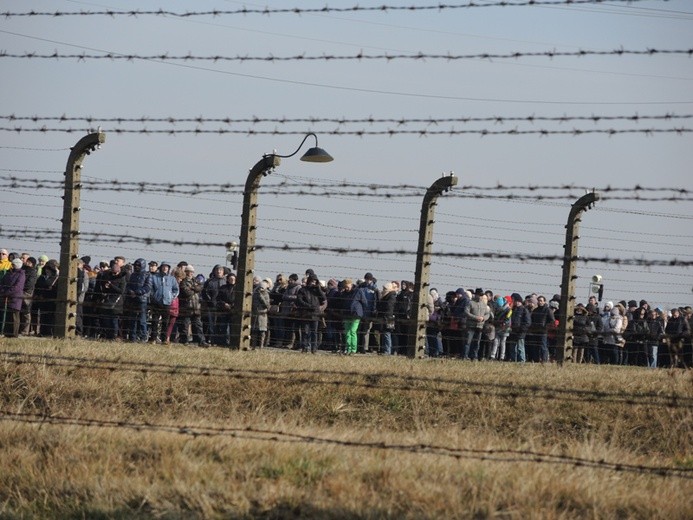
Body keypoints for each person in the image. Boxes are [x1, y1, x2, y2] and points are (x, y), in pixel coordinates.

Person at [177, 265, 209, 347]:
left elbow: (201, 287)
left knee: (198, 326)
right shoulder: (183, 282)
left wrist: (192, 288)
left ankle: (201, 341)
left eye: (191, 272)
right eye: (188, 271)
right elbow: (186, 293)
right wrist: (195, 289)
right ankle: (184, 340)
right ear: (186, 272)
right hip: (187, 307)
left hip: (196, 307)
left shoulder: (196, 280)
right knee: (185, 325)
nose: (190, 273)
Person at [294, 274, 327, 353]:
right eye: (312, 281)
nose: (313, 283)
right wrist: (309, 306)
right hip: (305, 313)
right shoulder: (303, 290)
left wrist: (318, 288)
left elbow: (323, 298)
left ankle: (314, 349)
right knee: (305, 331)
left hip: (315, 314)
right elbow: (299, 300)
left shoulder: (317, 291)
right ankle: (304, 347)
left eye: (315, 281)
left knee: (314, 332)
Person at [149, 261, 179, 344]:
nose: (165, 268)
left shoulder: (172, 278)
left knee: (165, 322)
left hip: (167, 302)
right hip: (156, 302)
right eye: (164, 266)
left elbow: (176, 289)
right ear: (161, 267)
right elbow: (150, 288)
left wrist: (171, 297)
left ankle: (164, 339)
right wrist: (154, 296)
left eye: (167, 267)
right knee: (155, 321)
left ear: (169, 268)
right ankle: (153, 339)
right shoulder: (154, 277)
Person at [124, 258, 152, 343]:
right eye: (135, 265)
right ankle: (133, 337)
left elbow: (147, 287)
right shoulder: (133, 275)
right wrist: (130, 291)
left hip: (142, 300)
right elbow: (128, 285)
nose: (136, 267)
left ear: (142, 265)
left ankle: (143, 337)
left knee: (142, 320)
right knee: (132, 319)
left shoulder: (147, 275)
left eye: (138, 265)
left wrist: (138, 292)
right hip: (132, 299)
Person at [462, 288, 491, 360]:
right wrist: (476, 318)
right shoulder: (470, 303)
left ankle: (474, 356)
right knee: (468, 342)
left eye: (481, 295)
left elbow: (488, 314)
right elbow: (466, 312)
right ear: (476, 295)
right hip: (471, 326)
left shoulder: (484, 304)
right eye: (479, 295)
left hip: (480, 326)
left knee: (476, 343)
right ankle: (465, 356)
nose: (480, 297)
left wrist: (483, 318)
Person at [33, 259, 60, 337]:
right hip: (42, 299)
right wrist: (38, 294)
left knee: (50, 317)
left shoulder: (56, 278)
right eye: (46, 269)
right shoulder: (42, 277)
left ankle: (49, 332)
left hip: (51, 299)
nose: (47, 271)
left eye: (49, 269)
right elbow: (37, 286)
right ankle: (42, 332)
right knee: (42, 317)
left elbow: (55, 288)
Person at [0, 258, 26, 337]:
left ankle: (14, 334)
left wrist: (7, 293)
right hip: (5, 297)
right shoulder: (8, 273)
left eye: (13, 265)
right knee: (7, 316)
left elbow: (17, 287)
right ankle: (7, 333)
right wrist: (3, 291)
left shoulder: (21, 274)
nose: (11, 266)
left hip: (15, 298)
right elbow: (2, 283)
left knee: (14, 317)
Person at [507, 293, 531, 362]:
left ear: (517, 300)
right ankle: (513, 359)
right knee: (512, 347)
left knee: (520, 347)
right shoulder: (513, 310)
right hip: (513, 331)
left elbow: (527, 322)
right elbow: (508, 317)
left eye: (513, 300)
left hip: (520, 332)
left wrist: (521, 329)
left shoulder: (524, 310)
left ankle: (522, 360)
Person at [377, 282, 398, 355]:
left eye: (384, 289)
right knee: (384, 333)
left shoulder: (391, 297)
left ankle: (387, 350)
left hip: (389, 318)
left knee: (387, 333)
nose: (383, 290)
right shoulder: (386, 296)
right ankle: (384, 349)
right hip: (385, 317)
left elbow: (389, 307)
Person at [19, 256, 38, 335]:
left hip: (27, 293)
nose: (27, 263)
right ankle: (19, 329)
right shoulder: (22, 270)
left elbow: (30, 284)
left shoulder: (33, 272)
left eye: (29, 262)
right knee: (19, 311)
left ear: (32, 264)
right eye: (27, 261)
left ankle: (25, 331)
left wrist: (21, 287)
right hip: (19, 291)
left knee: (26, 312)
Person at [251, 278, 271, 349]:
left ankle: (261, 346)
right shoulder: (255, 293)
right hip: (255, 314)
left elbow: (267, 305)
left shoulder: (266, 294)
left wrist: (261, 296)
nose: (261, 289)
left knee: (262, 331)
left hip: (262, 315)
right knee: (254, 331)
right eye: (260, 287)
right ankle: (253, 346)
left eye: (262, 287)